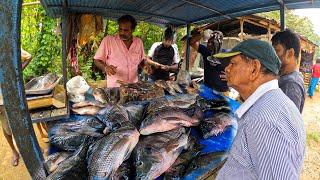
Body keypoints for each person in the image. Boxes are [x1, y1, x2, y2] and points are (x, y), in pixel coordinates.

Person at [214, 39, 305, 179]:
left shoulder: (263, 121)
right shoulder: (273, 103)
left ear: (254, 69)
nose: (227, 68)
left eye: (233, 63)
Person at [0, 48, 32, 166]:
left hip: (12, 95)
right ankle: (14, 151)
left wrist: (16, 73)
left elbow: (28, 57)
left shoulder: (6, 41)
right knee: (6, 128)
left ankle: (30, 150)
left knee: (22, 123)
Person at [94, 15, 145, 87]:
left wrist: (146, 66)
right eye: (120, 29)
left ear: (133, 30)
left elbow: (142, 61)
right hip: (115, 87)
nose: (122, 33)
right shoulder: (108, 40)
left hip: (133, 86)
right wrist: (105, 68)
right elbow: (97, 60)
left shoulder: (138, 42)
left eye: (126, 30)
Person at [271, 29, 306, 113]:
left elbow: (288, 122)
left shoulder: (290, 85)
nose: (272, 56)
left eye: (276, 51)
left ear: (290, 53)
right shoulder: (286, 77)